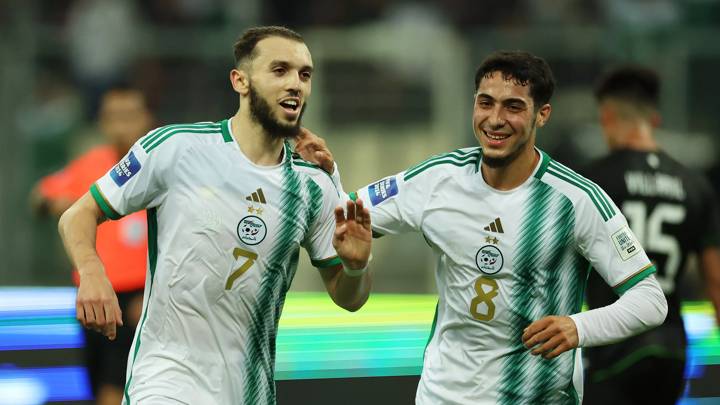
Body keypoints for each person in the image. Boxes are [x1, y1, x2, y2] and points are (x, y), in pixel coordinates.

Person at [299, 51, 668, 404]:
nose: (495, 119)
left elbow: (650, 300)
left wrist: (578, 328)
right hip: (443, 396)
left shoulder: (577, 200)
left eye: (513, 107)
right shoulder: (439, 179)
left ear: (542, 115)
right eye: (485, 102)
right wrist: (328, 174)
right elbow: (346, 215)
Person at [57, 26, 372, 405]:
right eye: (280, 70)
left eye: (304, 75)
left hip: (248, 391)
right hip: (164, 379)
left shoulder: (312, 187)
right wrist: (92, 273)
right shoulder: (175, 149)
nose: (296, 84)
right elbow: (78, 214)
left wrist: (355, 268)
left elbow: (349, 297)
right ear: (240, 81)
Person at [580, 66, 720, 405]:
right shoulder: (694, 185)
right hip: (672, 351)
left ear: (607, 116)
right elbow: (715, 281)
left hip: (614, 348)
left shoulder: (593, 183)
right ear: (654, 119)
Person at [30, 86, 153, 405]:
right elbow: (41, 197)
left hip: (140, 295)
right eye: (114, 117)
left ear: (147, 120)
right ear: (102, 122)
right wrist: (68, 206)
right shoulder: (91, 165)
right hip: (92, 290)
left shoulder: (158, 167)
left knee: (123, 385)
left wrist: (155, 294)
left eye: (130, 116)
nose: (121, 125)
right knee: (99, 382)